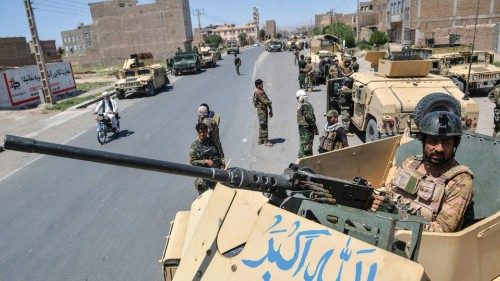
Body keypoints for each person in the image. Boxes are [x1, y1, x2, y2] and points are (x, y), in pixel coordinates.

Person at [371, 110, 474, 233]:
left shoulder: (460, 181)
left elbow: (443, 230)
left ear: (454, 145)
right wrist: (377, 200)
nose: (439, 149)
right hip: (387, 228)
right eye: (433, 141)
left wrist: (399, 218)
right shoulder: (411, 164)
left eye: (446, 142)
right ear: (424, 142)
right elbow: (390, 193)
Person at [189, 123, 225, 195]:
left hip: (216, 170)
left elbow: (220, 154)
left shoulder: (213, 142)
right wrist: (205, 161)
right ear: (197, 133)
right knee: (202, 189)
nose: (202, 134)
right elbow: (192, 161)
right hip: (204, 173)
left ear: (207, 131)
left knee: (221, 191)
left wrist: (222, 164)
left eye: (204, 131)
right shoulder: (195, 146)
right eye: (200, 132)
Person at [296, 90, 318, 158]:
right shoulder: (304, 105)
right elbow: (309, 118)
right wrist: (315, 128)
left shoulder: (304, 105)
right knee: (306, 147)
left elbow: (309, 118)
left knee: (305, 146)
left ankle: (305, 160)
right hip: (305, 129)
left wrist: (314, 127)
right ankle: (303, 161)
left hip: (306, 129)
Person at [253, 79, 273, 147]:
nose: (262, 85)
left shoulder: (260, 90)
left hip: (262, 110)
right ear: (258, 85)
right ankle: (266, 141)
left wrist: (270, 108)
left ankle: (260, 140)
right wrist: (270, 102)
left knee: (262, 125)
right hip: (262, 111)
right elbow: (265, 101)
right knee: (264, 126)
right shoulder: (258, 92)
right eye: (261, 84)